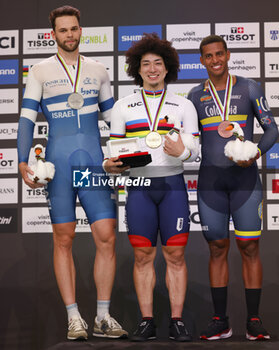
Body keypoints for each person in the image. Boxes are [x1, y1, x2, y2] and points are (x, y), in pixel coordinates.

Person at [17, 5, 128, 341]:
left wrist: (138, 146)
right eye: (63, 30)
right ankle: (73, 317)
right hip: (60, 165)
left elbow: (114, 119)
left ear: (82, 31)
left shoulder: (98, 70)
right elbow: (25, 120)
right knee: (63, 238)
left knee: (107, 236)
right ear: (53, 35)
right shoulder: (38, 71)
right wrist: (22, 161)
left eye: (74, 29)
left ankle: (103, 317)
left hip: (94, 163)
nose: (69, 35)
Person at [104, 33, 199, 342]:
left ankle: (177, 321)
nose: (153, 69)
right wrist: (111, 164)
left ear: (167, 67)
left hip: (172, 184)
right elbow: (114, 150)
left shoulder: (183, 105)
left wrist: (182, 153)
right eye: (146, 64)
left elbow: (195, 148)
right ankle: (147, 320)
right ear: (137, 68)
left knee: (175, 254)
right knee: (143, 255)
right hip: (140, 186)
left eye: (158, 63)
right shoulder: (123, 106)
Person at [188, 35, 279, 341]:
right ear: (201, 61)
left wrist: (255, 153)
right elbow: (189, 139)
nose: (215, 60)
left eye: (219, 54)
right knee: (217, 247)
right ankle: (220, 321)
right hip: (211, 183)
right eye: (208, 56)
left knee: (250, 247)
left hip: (245, 181)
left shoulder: (249, 87)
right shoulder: (193, 95)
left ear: (228, 55)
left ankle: (253, 320)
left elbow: (272, 129)